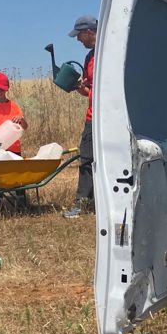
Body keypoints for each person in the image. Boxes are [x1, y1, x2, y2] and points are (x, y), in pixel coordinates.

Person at [63, 14, 97, 218]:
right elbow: (89, 90)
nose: (78, 39)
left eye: (80, 35)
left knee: (88, 160)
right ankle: (87, 203)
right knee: (87, 159)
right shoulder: (89, 57)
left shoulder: (108, 52)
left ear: (90, 32)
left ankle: (81, 206)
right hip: (92, 117)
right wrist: (79, 87)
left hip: (106, 118)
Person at [0, 72, 27, 155]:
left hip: (15, 149)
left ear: (6, 89)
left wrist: (21, 119)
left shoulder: (14, 106)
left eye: (2, 89)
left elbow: (25, 127)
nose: (0, 91)